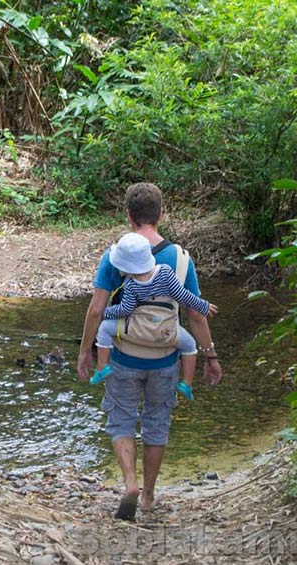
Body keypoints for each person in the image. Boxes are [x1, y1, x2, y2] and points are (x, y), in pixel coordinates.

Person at [77, 182, 223, 521]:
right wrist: (209, 356)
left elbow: (98, 310)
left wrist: (86, 351)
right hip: (166, 357)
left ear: (128, 215)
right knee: (157, 424)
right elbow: (196, 313)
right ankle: (149, 496)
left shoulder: (116, 256)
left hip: (124, 357)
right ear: (161, 215)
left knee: (121, 420)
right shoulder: (181, 259)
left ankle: (129, 482)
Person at [93, 232, 219, 391]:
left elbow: (125, 309)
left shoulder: (130, 285)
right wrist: (203, 306)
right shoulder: (166, 272)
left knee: (104, 328)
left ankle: (102, 367)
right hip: (165, 333)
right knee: (190, 346)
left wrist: (107, 313)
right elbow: (183, 296)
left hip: (134, 333)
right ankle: (186, 383)